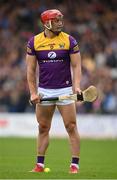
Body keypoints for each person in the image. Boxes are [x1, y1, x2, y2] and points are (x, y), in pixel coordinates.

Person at [26, 9, 82, 174]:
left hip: (65, 89)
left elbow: (77, 65)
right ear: (47, 23)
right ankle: (39, 165)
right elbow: (30, 69)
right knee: (43, 127)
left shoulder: (69, 40)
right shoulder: (34, 42)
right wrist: (33, 92)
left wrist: (76, 86)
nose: (60, 23)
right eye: (56, 20)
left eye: (60, 20)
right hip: (44, 91)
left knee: (71, 126)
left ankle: (74, 166)